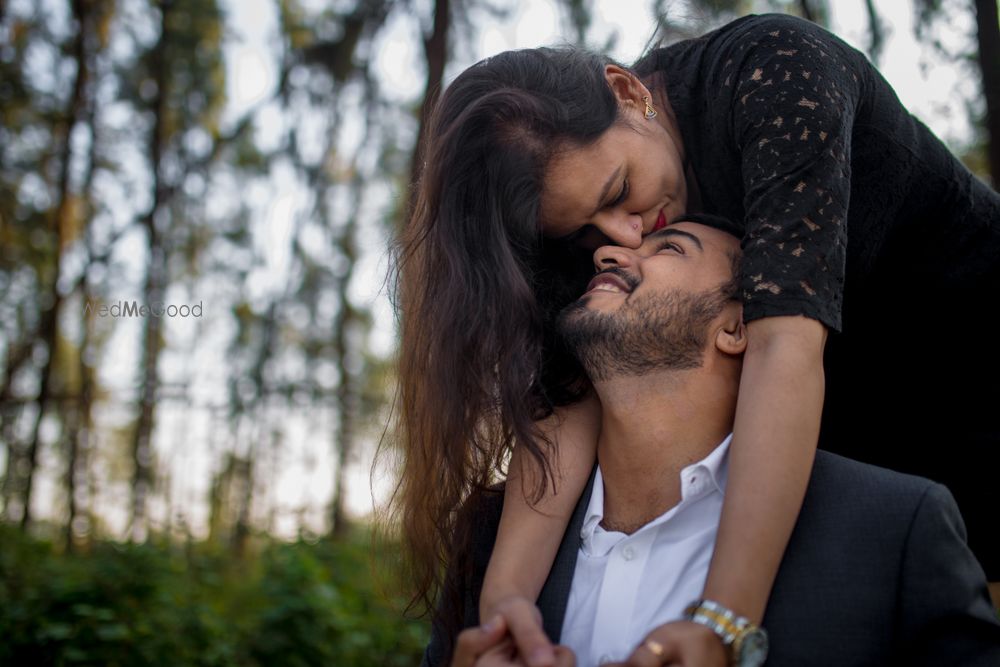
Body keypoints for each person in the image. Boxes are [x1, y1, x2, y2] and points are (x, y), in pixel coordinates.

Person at [394, 12, 1000, 665]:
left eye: (620, 192)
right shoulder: (584, 212)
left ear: (628, 92)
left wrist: (723, 620)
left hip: (977, 376)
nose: (621, 237)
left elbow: (782, 347)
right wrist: (508, 603)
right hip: (820, 423)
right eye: (587, 227)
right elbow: (570, 389)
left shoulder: (774, 75)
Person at [422, 219, 1000, 667]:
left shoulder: (895, 526)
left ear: (737, 327)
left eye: (669, 248)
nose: (608, 252)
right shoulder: (492, 531)